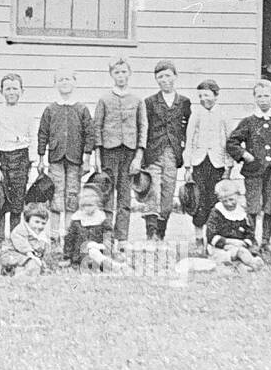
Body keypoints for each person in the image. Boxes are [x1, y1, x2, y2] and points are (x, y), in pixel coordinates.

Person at [226, 79, 271, 257]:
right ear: (254, 98)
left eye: (267, 96)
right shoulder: (248, 122)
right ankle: (251, 242)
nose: (263, 99)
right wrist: (244, 154)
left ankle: (266, 241)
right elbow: (232, 142)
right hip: (253, 171)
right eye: (259, 96)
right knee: (253, 207)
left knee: (270, 206)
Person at [92, 57, 146, 246]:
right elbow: (96, 127)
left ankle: (121, 237)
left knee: (124, 195)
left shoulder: (137, 100)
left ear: (129, 73)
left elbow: (142, 127)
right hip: (109, 152)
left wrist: (138, 156)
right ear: (111, 75)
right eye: (117, 72)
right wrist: (97, 155)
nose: (121, 76)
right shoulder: (104, 99)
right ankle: (106, 235)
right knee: (106, 193)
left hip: (129, 153)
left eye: (124, 72)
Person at [36, 67, 94, 237]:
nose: (65, 82)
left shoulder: (81, 109)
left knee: (72, 196)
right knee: (56, 196)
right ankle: (54, 236)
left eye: (68, 79)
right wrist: (41, 158)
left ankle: (69, 236)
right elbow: (42, 133)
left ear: (74, 82)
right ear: (55, 84)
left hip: (75, 159)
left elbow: (89, 134)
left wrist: (87, 157)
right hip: (56, 158)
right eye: (61, 79)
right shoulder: (51, 109)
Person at [142, 60, 190, 242]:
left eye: (168, 75)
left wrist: (183, 149)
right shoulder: (150, 102)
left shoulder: (184, 102)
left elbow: (187, 128)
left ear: (175, 77)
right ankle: (150, 233)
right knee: (152, 191)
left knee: (168, 194)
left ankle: (161, 233)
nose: (164, 80)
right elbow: (144, 128)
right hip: (153, 152)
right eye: (160, 77)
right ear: (156, 79)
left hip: (172, 153)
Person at [0, 73, 37, 243]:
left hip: (21, 160)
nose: (11, 92)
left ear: (22, 91)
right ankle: (0, 241)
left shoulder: (28, 113)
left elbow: (32, 137)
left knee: (17, 205)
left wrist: (31, 162)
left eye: (15, 88)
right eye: (7, 88)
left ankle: (15, 241)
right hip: (2, 159)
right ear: (1, 91)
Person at [183, 79, 231, 255]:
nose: (204, 99)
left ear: (216, 95)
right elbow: (189, 141)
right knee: (199, 200)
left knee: (215, 200)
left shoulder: (224, 115)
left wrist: (228, 166)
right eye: (201, 96)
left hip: (217, 163)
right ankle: (198, 238)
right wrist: (188, 166)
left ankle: (213, 238)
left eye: (207, 95)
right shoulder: (196, 114)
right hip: (199, 162)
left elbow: (228, 141)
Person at [205, 180, 265, 271]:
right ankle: (252, 263)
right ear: (220, 200)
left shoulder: (242, 213)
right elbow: (210, 235)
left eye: (231, 199)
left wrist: (244, 242)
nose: (229, 203)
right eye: (225, 201)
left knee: (242, 251)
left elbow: (250, 232)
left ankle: (244, 266)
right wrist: (228, 242)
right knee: (236, 253)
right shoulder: (216, 213)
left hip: (241, 245)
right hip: (221, 247)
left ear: (237, 196)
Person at [62, 185, 121, 272]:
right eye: (85, 206)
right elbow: (69, 239)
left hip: (99, 250)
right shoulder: (77, 219)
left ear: (97, 204)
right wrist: (67, 257)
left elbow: (108, 235)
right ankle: (110, 266)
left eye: (91, 205)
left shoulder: (101, 218)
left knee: (94, 252)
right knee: (90, 253)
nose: (88, 208)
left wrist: (106, 247)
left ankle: (109, 264)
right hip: (80, 254)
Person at [0, 202, 50, 276]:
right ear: (27, 220)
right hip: (11, 254)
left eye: (43, 223)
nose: (40, 226)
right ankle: (18, 273)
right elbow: (22, 245)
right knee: (32, 264)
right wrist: (32, 256)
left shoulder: (40, 234)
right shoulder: (20, 230)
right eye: (37, 222)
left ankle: (16, 270)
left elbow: (40, 248)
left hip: (24, 256)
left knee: (39, 265)